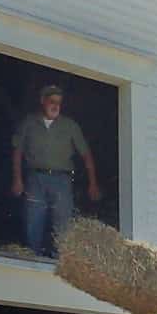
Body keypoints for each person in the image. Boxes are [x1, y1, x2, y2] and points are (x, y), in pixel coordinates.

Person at [10, 85, 101, 255]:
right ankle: (33, 257)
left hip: (62, 180)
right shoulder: (29, 122)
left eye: (59, 103)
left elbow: (86, 154)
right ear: (42, 101)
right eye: (51, 101)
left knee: (63, 223)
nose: (55, 106)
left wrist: (93, 183)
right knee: (33, 220)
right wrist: (17, 179)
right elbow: (17, 151)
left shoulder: (70, 125)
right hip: (35, 178)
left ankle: (62, 260)